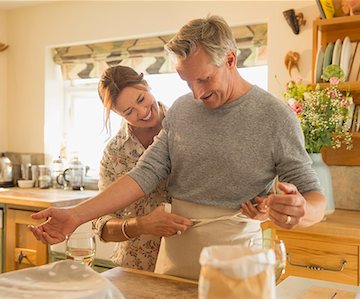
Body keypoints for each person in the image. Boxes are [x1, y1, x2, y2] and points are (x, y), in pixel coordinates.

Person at [30, 15, 325, 280]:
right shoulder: (183, 110)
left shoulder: (275, 117)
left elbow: (314, 200)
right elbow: (143, 174)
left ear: (231, 60)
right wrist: (76, 215)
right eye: (187, 82)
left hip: (236, 263)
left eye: (204, 78)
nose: (197, 93)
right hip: (173, 261)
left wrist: (301, 211)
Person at [92, 65, 190, 271]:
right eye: (129, 112)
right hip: (137, 265)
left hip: (188, 257)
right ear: (118, 114)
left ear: (146, 85)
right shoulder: (115, 152)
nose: (143, 112)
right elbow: (102, 226)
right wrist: (141, 224)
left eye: (141, 100)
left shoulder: (188, 126)